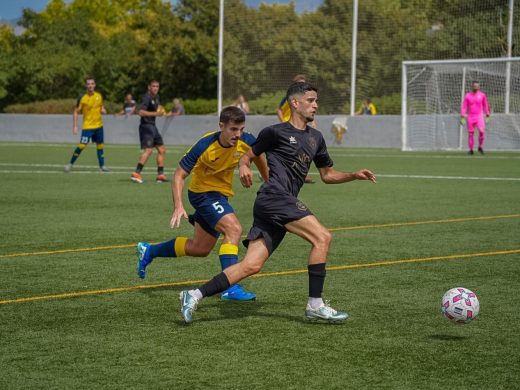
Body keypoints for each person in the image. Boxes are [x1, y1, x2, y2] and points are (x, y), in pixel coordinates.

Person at [179, 82, 376, 324]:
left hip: (277, 204)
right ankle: (315, 304)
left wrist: (353, 175)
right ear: (295, 103)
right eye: (311, 100)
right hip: (274, 197)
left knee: (251, 265)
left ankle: (193, 294)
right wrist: (243, 167)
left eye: (316, 100)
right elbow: (249, 155)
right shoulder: (274, 132)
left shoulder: (316, 137)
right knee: (322, 237)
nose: (316, 105)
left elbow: (327, 175)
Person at [136, 106, 269, 301]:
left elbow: (258, 156)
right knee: (233, 229)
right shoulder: (205, 145)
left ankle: (149, 251)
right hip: (202, 194)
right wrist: (178, 205)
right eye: (233, 129)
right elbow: (179, 175)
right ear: (221, 126)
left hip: (220, 196)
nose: (238, 134)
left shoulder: (246, 141)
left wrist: (269, 183)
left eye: (241, 129)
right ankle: (230, 287)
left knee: (200, 248)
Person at [64, 77, 109, 173]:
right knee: (82, 146)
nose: (90, 86)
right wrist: (75, 126)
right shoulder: (82, 97)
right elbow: (76, 112)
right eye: (88, 84)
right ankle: (70, 164)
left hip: (99, 126)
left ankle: (102, 166)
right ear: (86, 86)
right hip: (88, 127)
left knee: (100, 146)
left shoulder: (99, 96)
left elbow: (101, 107)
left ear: (95, 85)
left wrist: (103, 110)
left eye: (92, 83)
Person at [277, 74, 315, 184]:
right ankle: (299, 174)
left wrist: (313, 122)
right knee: (295, 148)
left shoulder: (306, 99)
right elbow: (279, 110)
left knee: (302, 149)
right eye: (300, 84)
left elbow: (309, 110)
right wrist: (283, 122)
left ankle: (297, 173)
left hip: (300, 126)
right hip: (290, 126)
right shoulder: (288, 97)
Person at [130, 80, 168, 183]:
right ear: (149, 87)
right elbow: (141, 112)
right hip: (146, 126)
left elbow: (159, 109)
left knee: (161, 149)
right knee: (149, 150)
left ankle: (160, 175)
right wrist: (156, 114)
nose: (155, 88)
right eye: (153, 86)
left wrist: (163, 111)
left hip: (153, 127)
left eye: (157, 86)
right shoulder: (146, 97)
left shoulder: (156, 97)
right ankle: (136, 173)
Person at [460, 81, 490, 155]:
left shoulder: (482, 95)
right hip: (470, 117)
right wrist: (462, 115)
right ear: (472, 86)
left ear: (479, 87)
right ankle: (471, 150)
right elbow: (464, 106)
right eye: (474, 86)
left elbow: (485, 105)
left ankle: (480, 147)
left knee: (482, 131)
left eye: (477, 86)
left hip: (479, 116)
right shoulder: (467, 96)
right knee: (470, 134)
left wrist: (487, 113)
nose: (476, 87)